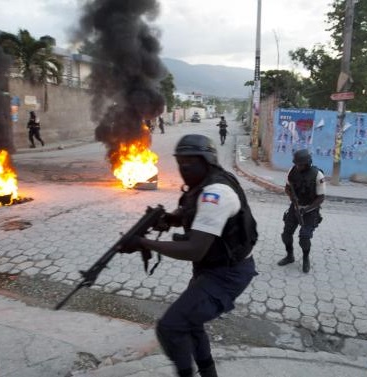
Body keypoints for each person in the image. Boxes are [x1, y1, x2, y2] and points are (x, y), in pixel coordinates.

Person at [123, 134, 258, 377]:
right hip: (211, 269)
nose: (183, 168)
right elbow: (190, 212)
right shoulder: (201, 185)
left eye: (189, 162)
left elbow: (195, 249)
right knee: (191, 322)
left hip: (227, 274)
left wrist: (143, 242)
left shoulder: (215, 192)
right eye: (180, 162)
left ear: (207, 161)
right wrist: (170, 220)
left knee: (171, 326)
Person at [278, 149, 326, 273]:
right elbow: (287, 188)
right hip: (295, 207)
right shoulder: (292, 171)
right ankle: (290, 256)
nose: (298, 166)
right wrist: (292, 199)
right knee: (286, 234)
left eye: (301, 164)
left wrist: (306, 209)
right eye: (297, 164)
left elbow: (321, 198)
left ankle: (306, 258)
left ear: (308, 163)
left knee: (304, 238)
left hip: (311, 210)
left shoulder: (318, 175)